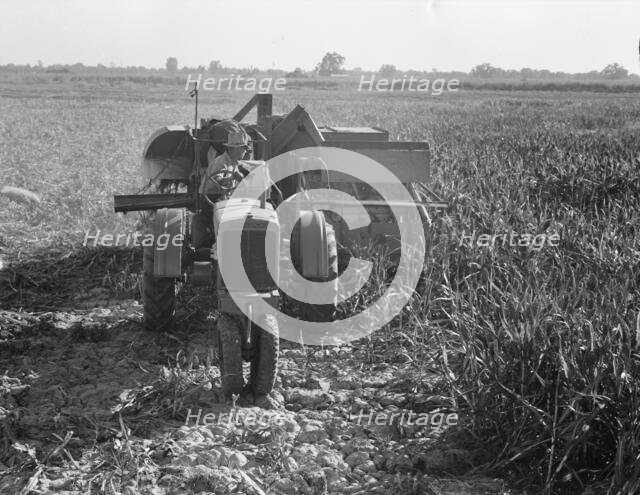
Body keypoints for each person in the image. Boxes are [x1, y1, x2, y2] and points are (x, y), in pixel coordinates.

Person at [199, 130, 251, 195]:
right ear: (235, 149)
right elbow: (217, 180)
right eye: (244, 148)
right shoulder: (221, 162)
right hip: (211, 197)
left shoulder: (235, 163)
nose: (245, 151)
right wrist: (233, 178)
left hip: (222, 196)